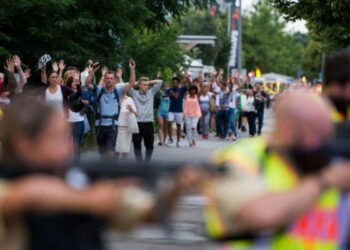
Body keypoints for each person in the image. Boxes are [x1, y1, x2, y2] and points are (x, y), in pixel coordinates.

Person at [0, 99, 199, 250]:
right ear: (24, 144)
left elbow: (151, 214)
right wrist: (87, 198)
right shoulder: (9, 183)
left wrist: (175, 187)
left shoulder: (76, 179)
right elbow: (29, 194)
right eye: (56, 138)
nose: (71, 146)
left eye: (67, 136)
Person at [203, 90, 350, 249]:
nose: (327, 143)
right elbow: (258, 215)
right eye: (319, 135)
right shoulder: (241, 158)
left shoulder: (327, 161)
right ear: (288, 131)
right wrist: (323, 181)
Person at [85, 59, 136, 158]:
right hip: (99, 125)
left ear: (114, 81)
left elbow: (131, 83)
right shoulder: (99, 90)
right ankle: (106, 171)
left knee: (111, 152)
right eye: (107, 78)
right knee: (103, 154)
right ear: (104, 80)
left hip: (112, 126)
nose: (109, 80)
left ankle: (111, 171)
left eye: (111, 78)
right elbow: (87, 83)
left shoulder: (119, 91)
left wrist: (132, 69)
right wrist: (93, 71)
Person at [129, 72, 162, 161]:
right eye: (143, 84)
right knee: (137, 145)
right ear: (139, 85)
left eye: (146, 84)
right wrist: (138, 82)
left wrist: (148, 82)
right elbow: (126, 85)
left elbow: (160, 82)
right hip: (137, 123)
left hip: (148, 123)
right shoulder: (134, 93)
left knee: (150, 145)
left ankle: (147, 162)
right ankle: (139, 163)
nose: (145, 86)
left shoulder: (151, 92)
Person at [165, 76, 188, 147]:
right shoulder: (170, 90)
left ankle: (178, 141)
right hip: (171, 110)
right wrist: (169, 95)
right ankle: (170, 139)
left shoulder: (181, 89)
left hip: (179, 111)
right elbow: (163, 95)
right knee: (169, 123)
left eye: (176, 83)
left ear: (178, 83)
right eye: (173, 83)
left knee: (178, 125)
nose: (174, 84)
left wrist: (187, 79)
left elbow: (188, 87)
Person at [115, 93, 137, 159]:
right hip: (115, 127)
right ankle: (114, 167)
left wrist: (131, 109)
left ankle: (124, 167)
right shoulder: (114, 97)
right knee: (116, 149)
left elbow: (136, 114)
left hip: (126, 128)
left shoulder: (129, 99)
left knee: (125, 150)